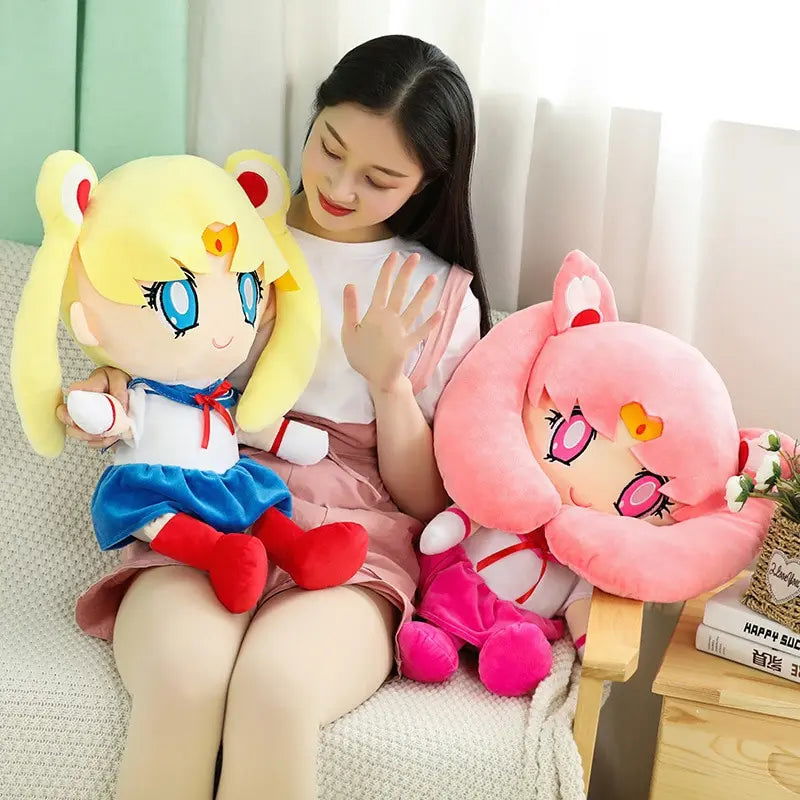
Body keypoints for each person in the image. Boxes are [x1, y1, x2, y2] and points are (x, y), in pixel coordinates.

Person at [61, 35, 491, 800]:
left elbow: (428, 501)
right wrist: (111, 387)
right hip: (208, 497)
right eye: (330, 148)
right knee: (185, 679)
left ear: (429, 181)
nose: (340, 186)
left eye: (379, 179)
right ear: (313, 115)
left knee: (276, 690)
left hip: (354, 535)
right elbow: (144, 344)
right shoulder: (225, 232)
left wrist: (389, 385)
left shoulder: (440, 295)